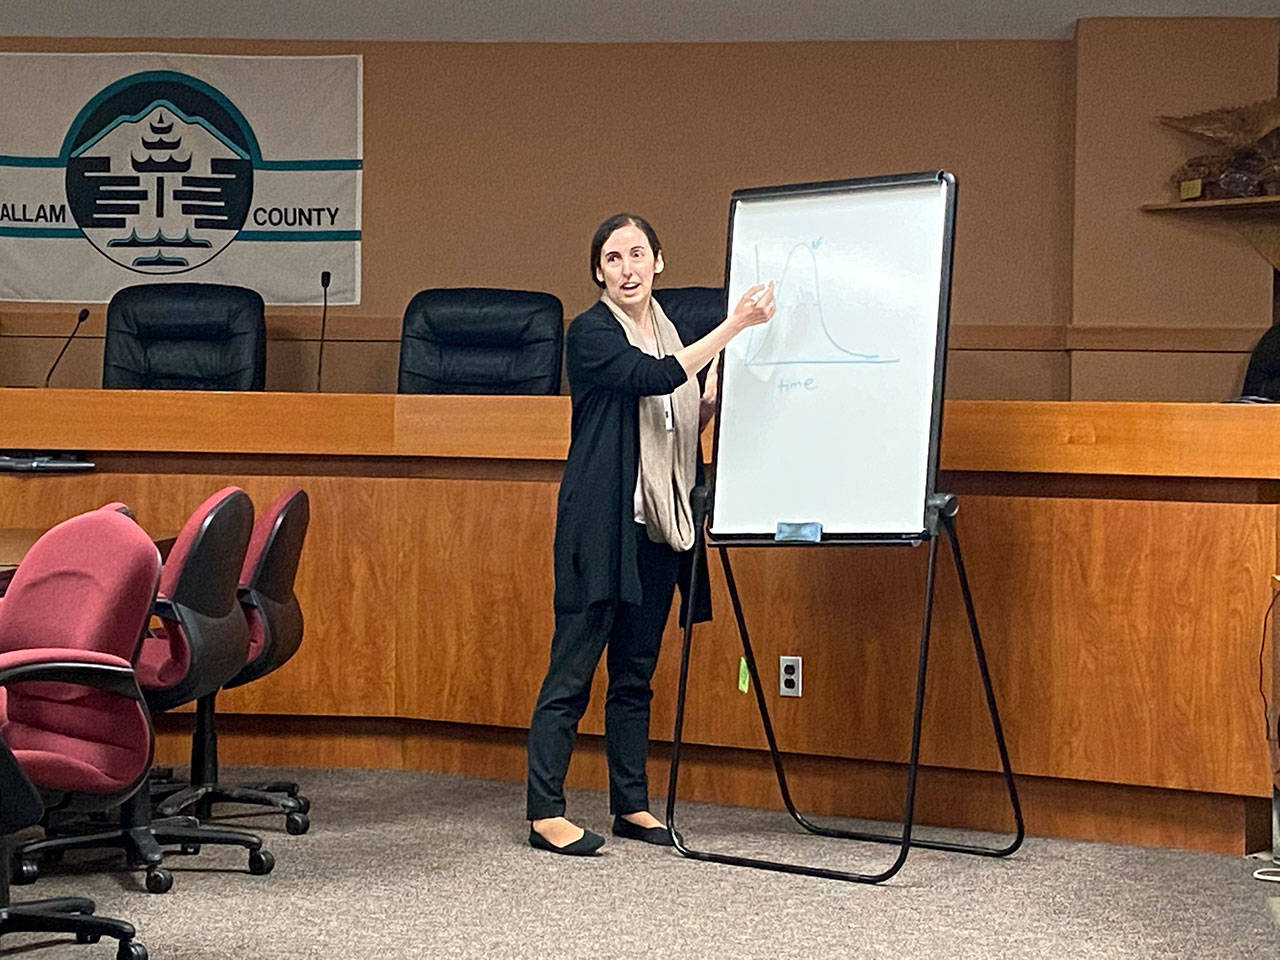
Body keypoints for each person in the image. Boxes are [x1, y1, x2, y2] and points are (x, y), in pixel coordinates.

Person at [525, 213, 776, 855]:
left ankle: (629, 804)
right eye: (613, 258)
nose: (628, 267)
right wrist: (733, 328)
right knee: (573, 672)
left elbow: (676, 417)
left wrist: (711, 401)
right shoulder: (589, 334)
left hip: (659, 527)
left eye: (638, 254)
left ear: (659, 262)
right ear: (598, 273)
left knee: (635, 674)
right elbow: (654, 378)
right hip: (600, 527)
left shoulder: (669, 330)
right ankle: (544, 812)